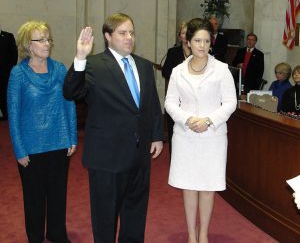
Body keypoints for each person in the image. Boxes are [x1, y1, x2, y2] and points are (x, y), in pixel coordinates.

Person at [63, 13, 164, 243]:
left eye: (131, 33)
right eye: (122, 33)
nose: (129, 37)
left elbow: (151, 105)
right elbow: (70, 92)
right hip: (107, 157)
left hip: (139, 156)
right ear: (108, 36)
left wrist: (157, 135)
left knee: (136, 213)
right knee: (105, 217)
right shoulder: (93, 65)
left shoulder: (144, 65)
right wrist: (80, 57)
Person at [164, 18, 237, 243]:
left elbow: (230, 103)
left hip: (212, 137)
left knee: (207, 187)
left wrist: (208, 120)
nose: (202, 45)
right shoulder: (177, 71)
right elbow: (169, 103)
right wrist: (187, 119)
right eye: (197, 40)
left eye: (206, 40)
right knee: (188, 186)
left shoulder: (222, 70)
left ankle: (203, 233)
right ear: (188, 41)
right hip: (186, 136)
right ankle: (191, 234)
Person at [7, 21, 77, 243]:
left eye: (49, 38)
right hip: (31, 147)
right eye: (42, 39)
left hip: (59, 142)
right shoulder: (18, 74)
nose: (47, 43)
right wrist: (19, 150)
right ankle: (35, 237)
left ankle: (57, 233)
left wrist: (72, 137)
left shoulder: (59, 69)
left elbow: (69, 104)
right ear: (28, 45)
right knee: (34, 198)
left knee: (58, 195)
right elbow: (14, 114)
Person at [162, 21, 190, 156]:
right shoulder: (173, 52)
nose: (185, 36)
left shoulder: (198, 51)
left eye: (188, 33)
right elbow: (165, 71)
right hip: (176, 97)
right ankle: (174, 157)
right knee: (174, 130)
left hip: (191, 98)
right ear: (179, 36)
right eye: (183, 33)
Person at [0, 26, 18, 120]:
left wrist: (9, 68)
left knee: (5, 95)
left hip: (5, 74)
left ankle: (7, 117)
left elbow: (14, 53)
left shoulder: (8, 36)